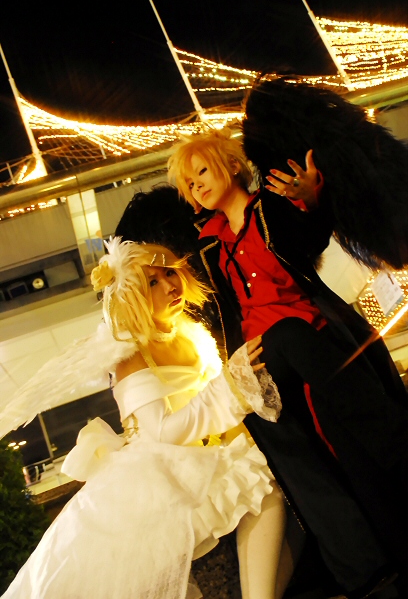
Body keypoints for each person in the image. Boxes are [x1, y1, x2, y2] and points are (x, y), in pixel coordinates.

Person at [167, 107, 408, 599]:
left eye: (202, 171)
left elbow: (308, 239)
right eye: (188, 185)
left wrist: (313, 201)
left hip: (314, 342)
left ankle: (391, 553)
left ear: (230, 164)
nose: (197, 186)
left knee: (350, 451)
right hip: (268, 360)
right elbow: (224, 312)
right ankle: (361, 566)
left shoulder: (270, 208)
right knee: (309, 464)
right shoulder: (210, 245)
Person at [1, 237, 300, 599]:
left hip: (207, 453)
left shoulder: (191, 332)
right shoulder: (130, 353)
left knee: (274, 483)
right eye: (153, 282)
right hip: (159, 469)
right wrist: (232, 385)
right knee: (260, 484)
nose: (171, 286)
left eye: (170, 273)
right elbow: (161, 433)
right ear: (133, 296)